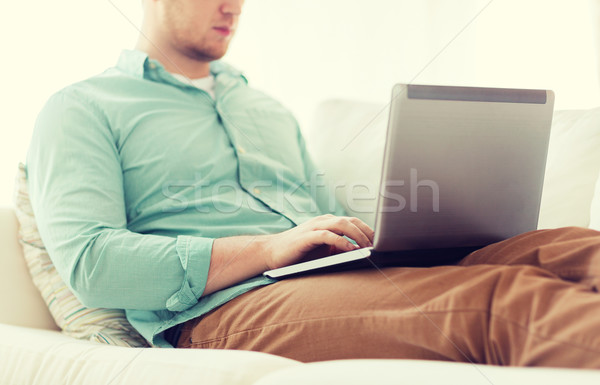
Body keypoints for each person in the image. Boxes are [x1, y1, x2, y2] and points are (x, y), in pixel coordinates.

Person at [27, 0, 600, 367]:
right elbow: (94, 264)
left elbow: (325, 221)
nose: (234, 6)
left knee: (571, 247)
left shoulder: (266, 109)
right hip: (224, 310)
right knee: (498, 304)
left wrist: (395, 237)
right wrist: (269, 249)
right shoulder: (82, 107)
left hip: (334, 278)